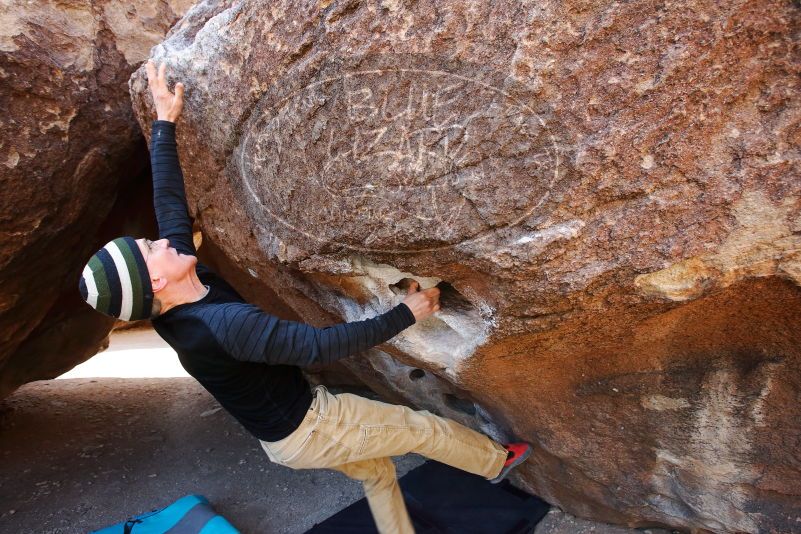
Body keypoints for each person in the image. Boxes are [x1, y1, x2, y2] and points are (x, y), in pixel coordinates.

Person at [77, 59, 532, 533]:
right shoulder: (224, 325)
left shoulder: (177, 292)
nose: (162, 240)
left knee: (377, 471)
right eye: (151, 248)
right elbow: (318, 346)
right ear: (154, 282)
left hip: (285, 437)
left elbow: (168, 202)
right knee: (420, 428)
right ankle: (494, 462)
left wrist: (164, 122)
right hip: (311, 427)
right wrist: (406, 312)